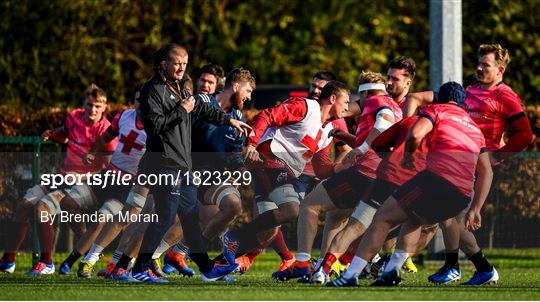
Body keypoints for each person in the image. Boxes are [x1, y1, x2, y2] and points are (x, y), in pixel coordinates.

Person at [328, 81, 493, 287]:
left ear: (439, 99)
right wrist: (476, 208)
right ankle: (392, 271)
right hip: (462, 196)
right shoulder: (475, 129)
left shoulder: (437, 110)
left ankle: (350, 275)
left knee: (382, 218)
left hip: (436, 181)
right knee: (414, 219)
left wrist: (409, 155)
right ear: (463, 103)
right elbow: (487, 172)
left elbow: (415, 133)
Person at [126, 43, 251, 283]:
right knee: (165, 216)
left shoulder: (181, 86)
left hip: (182, 166)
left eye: (185, 63)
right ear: (164, 64)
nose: (182, 67)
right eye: (177, 63)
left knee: (191, 218)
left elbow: (202, 109)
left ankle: (206, 269)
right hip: (163, 163)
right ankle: (138, 269)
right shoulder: (151, 91)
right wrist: (182, 109)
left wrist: (228, 121)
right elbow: (155, 128)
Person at [273, 71, 402, 281]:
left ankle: (303, 263)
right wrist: (350, 138)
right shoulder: (397, 107)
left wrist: (362, 148)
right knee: (342, 220)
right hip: (385, 178)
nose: (356, 103)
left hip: (364, 173)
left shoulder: (375, 100)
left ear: (366, 91)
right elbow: (384, 139)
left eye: (359, 97)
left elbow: (383, 123)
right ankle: (324, 270)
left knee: (310, 206)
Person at [427, 44, 533, 286]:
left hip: (477, 166)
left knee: (450, 215)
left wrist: (498, 157)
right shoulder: (470, 89)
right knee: (447, 215)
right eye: (479, 62)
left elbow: (525, 135)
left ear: (500, 69)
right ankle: (469, 267)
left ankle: (464, 267)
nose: (478, 67)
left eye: (485, 64)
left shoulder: (506, 97)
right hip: (455, 163)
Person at [221, 81, 351, 270]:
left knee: (269, 231)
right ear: (332, 99)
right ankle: (233, 237)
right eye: (345, 101)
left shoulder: (327, 132)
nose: (348, 107)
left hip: (284, 171)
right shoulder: (305, 107)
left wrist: (345, 169)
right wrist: (251, 143)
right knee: (291, 210)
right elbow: (267, 115)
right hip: (269, 160)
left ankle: (220, 265)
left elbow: (321, 167)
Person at [0, 84, 116, 275]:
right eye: (89, 105)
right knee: (24, 204)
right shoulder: (74, 117)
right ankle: (8, 260)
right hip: (62, 175)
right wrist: (52, 134)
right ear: (83, 104)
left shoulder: (107, 131)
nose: (92, 110)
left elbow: (108, 167)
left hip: (85, 183)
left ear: (105, 107)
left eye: (97, 106)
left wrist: (88, 171)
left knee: (43, 208)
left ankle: (47, 263)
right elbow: (64, 135)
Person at [163, 67, 256, 276]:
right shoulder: (202, 102)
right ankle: (131, 262)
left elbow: (233, 153)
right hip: (184, 170)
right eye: (248, 91)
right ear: (236, 86)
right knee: (162, 217)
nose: (249, 97)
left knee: (232, 206)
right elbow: (179, 132)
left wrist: (242, 169)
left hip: (212, 175)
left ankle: (184, 252)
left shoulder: (238, 116)